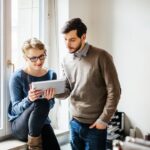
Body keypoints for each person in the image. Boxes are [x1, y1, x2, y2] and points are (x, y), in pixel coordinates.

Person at [55, 18, 121, 150]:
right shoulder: (65, 59)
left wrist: (103, 120)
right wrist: (53, 93)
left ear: (83, 37)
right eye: (65, 39)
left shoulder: (102, 56)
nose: (67, 45)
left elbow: (115, 91)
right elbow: (67, 89)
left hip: (95, 126)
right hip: (74, 122)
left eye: (72, 40)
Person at [8, 38, 60, 150]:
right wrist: (29, 99)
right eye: (33, 58)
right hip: (21, 126)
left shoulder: (51, 74)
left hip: (41, 123)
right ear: (25, 58)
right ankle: (34, 147)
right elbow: (14, 110)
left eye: (42, 56)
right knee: (40, 102)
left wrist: (49, 99)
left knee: (55, 148)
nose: (39, 61)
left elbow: (49, 106)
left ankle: (35, 143)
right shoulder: (17, 77)